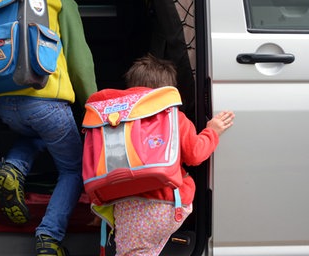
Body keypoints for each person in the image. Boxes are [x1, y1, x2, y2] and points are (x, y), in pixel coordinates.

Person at [0, 0, 98, 256]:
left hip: (5, 104)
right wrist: (93, 105)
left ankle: (13, 166)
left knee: (35, 134)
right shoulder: (57, 0)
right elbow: (79, 61)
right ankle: (49, 236)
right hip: (46, 102)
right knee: (74, 169)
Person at [99, 54, 234, 256]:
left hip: (125, 204)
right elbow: (195, 154)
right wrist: (212, 131)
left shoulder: (114, 122)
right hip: (167, 203)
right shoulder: (174, 119)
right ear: (168, 92)